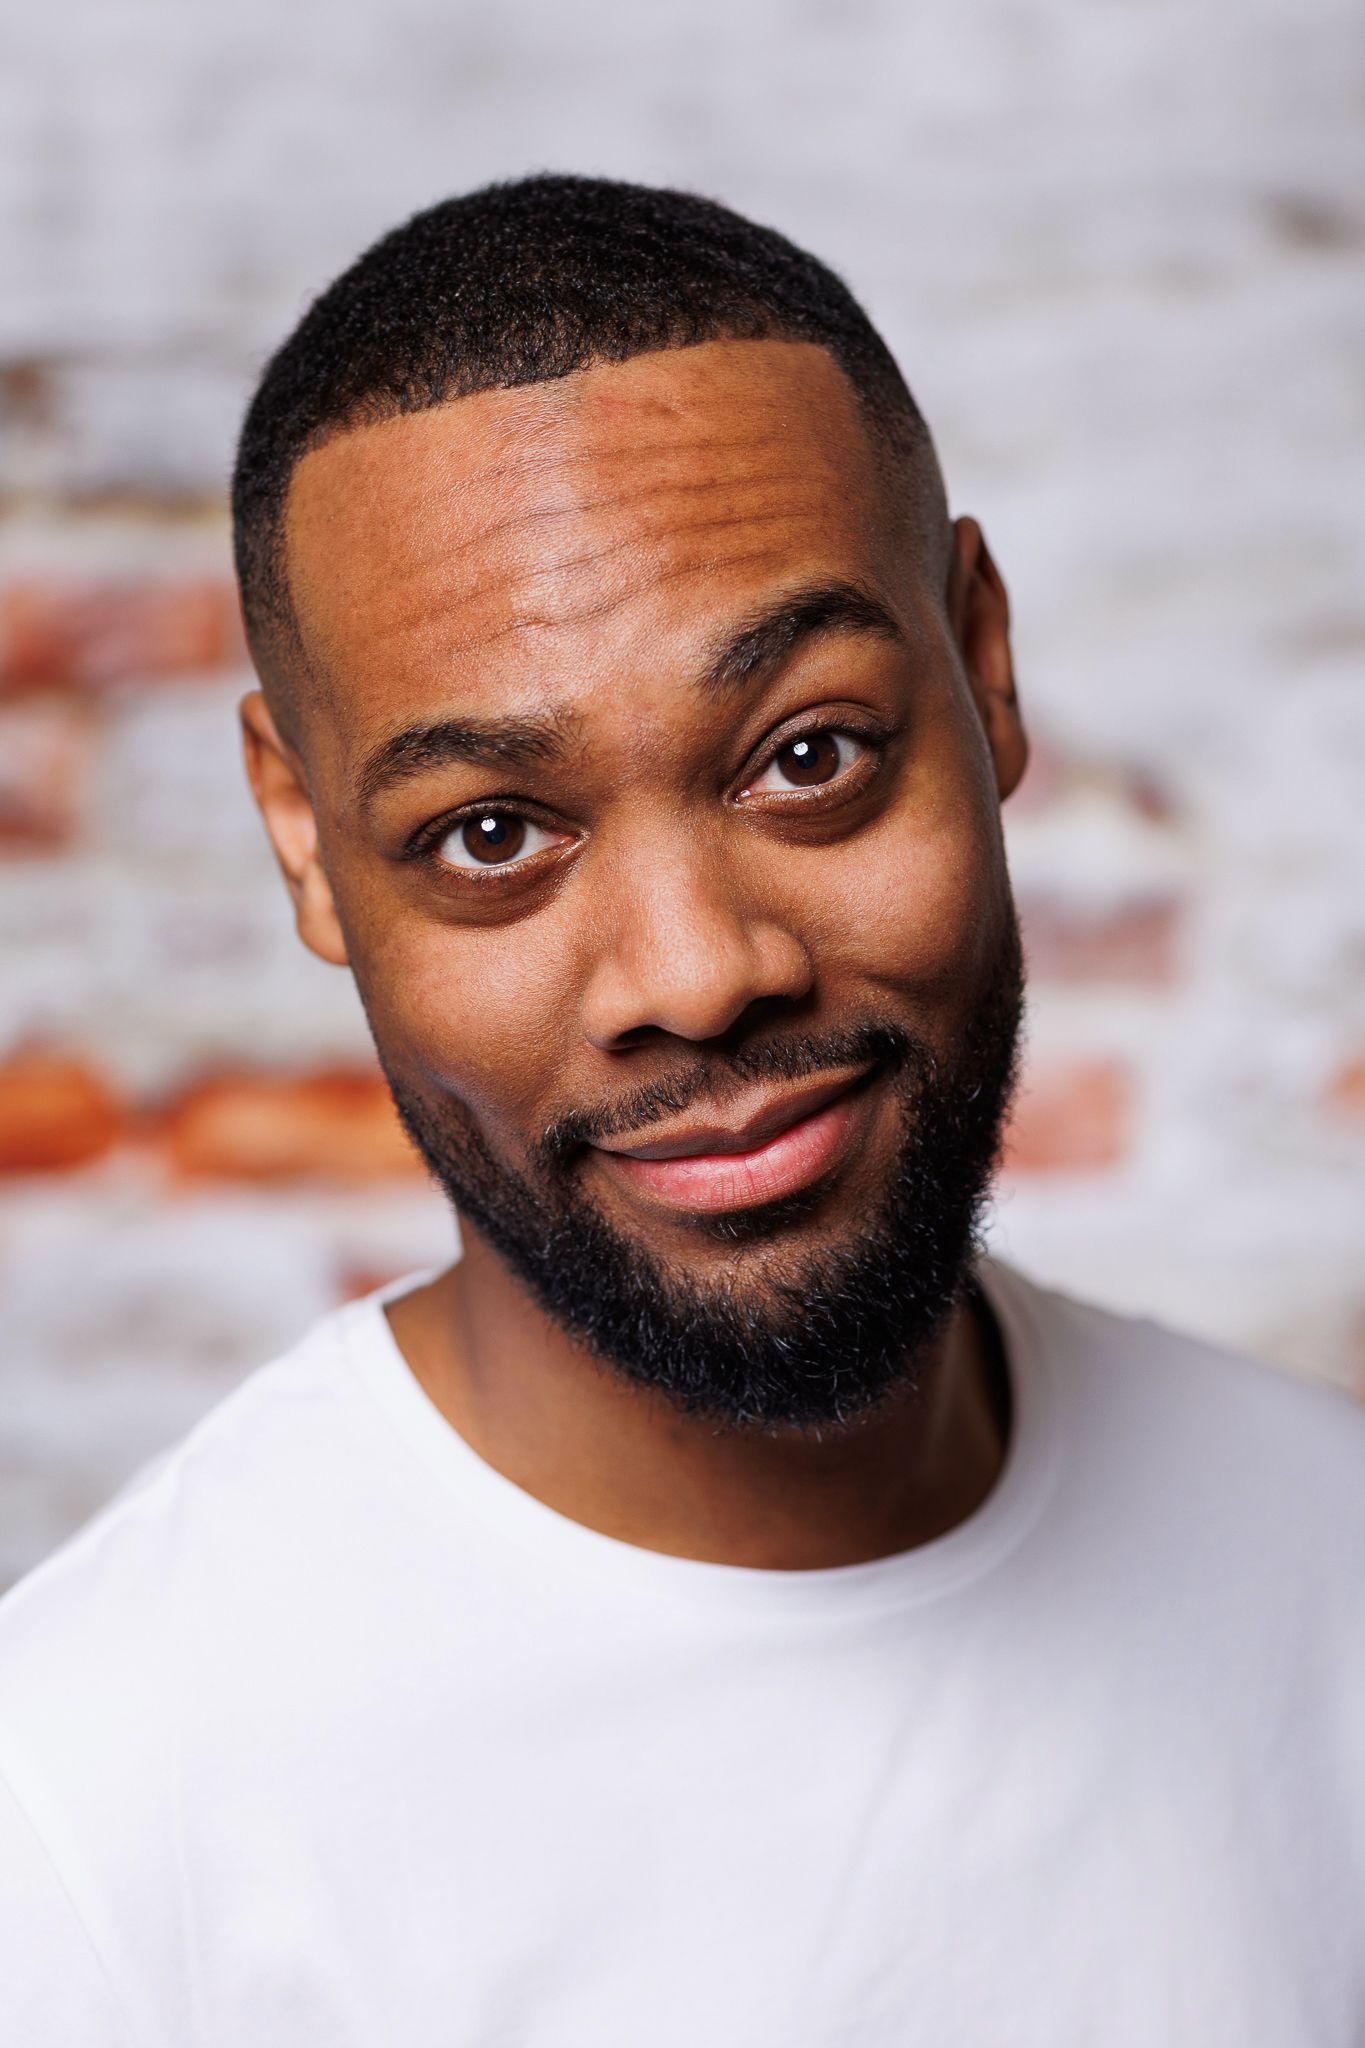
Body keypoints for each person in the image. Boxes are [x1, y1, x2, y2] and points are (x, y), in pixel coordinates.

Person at [1, 174, 1361, 2047]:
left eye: (810, 756)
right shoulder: (82, 1828)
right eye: (493, 834)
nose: (699, 975)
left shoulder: (1329, 1562)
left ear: (981, 665)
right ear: (303, 839)